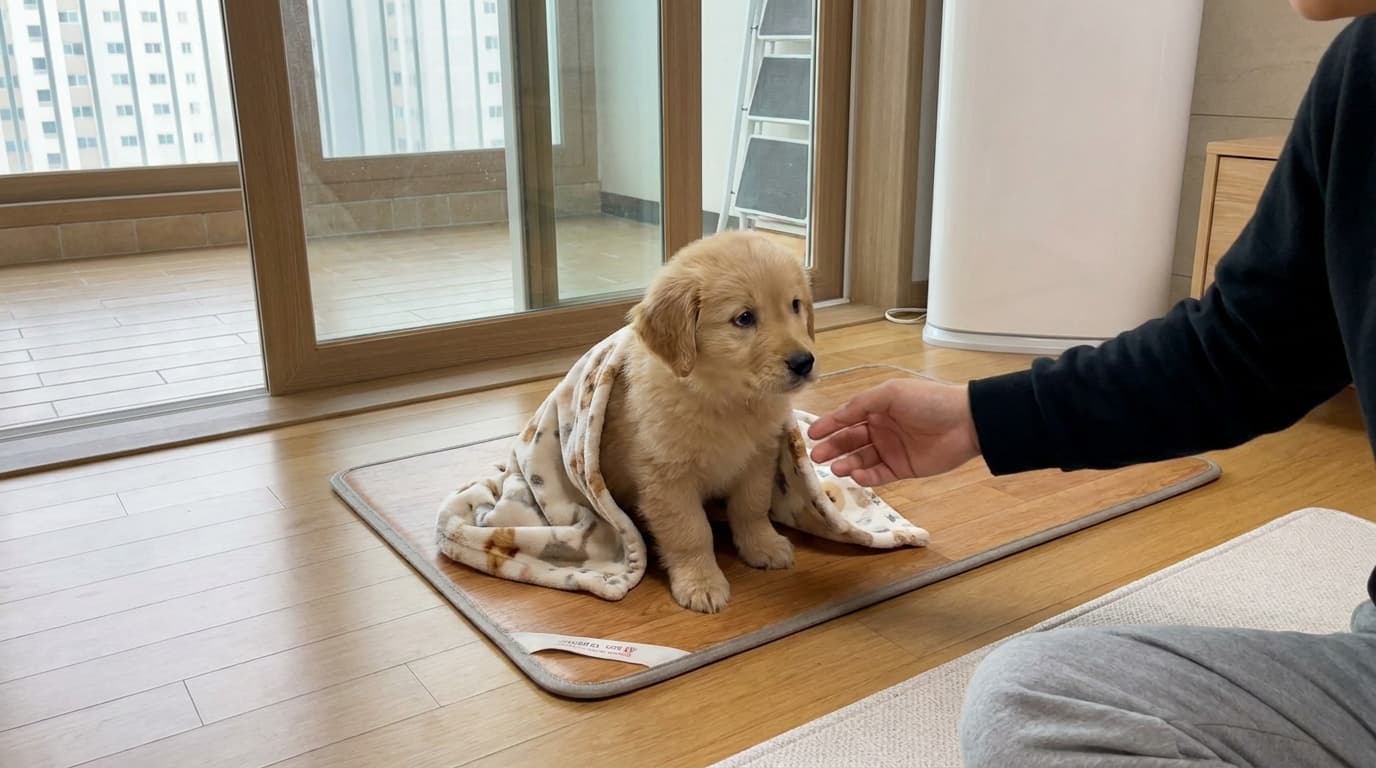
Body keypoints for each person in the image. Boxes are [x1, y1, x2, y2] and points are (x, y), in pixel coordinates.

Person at [807, 2, 1376, 765]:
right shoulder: (1360, 72)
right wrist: (979, 416)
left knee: (1037, 706)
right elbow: (1241, 351)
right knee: (1041, 698)